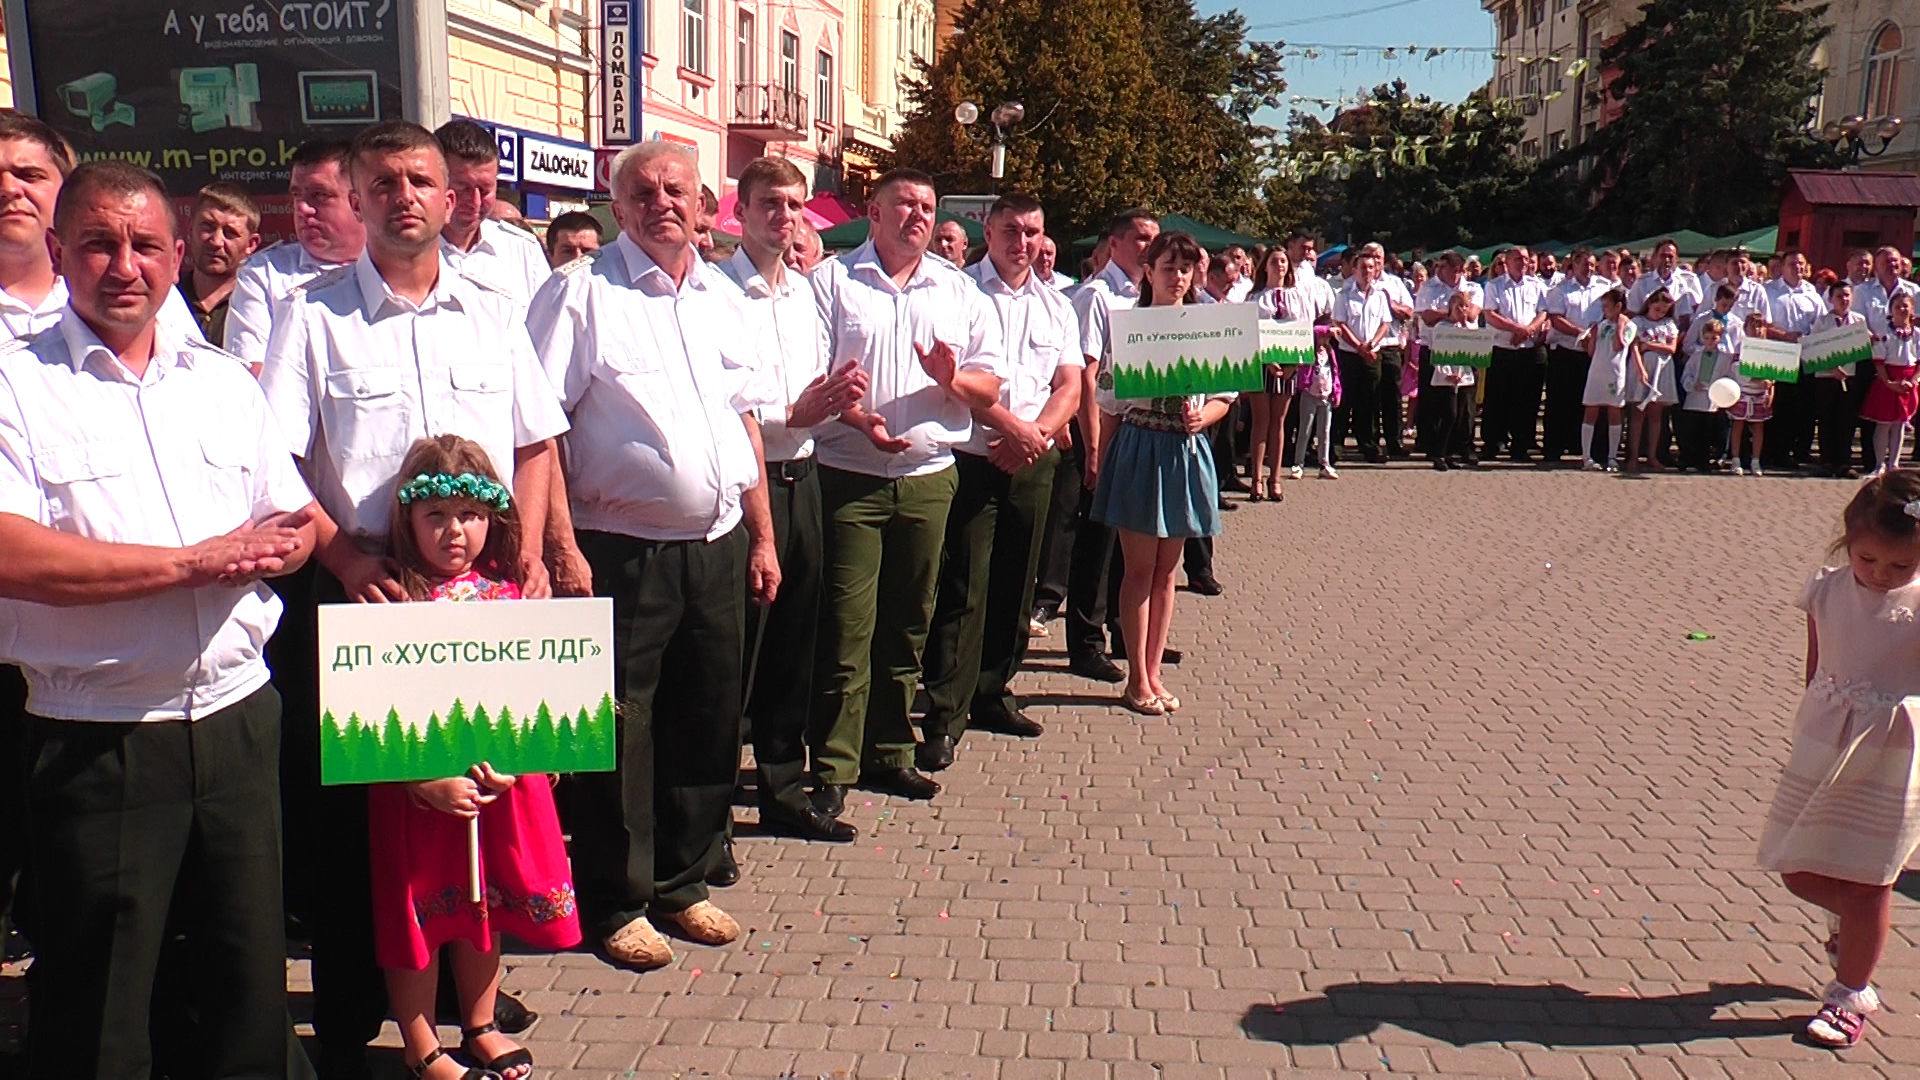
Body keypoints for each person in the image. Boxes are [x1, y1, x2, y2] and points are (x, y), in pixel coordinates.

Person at [259, 120, 569, 1077]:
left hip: (484, 600)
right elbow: (276, 461)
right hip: (367, 600)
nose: (404, 195)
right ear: (355, 197)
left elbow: (531, 444)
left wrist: (533, 555)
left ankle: (471, 1005)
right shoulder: (313, 317)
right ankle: (367, 1012)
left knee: (483, 796)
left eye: (421, 180)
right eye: (383, 181)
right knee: (366, 816)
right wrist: (346, 567)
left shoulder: (491, 311)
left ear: (449, 197)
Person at [0, 160, 319, 1080]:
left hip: (236, 721)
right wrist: (191, 564)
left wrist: (281, 549)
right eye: (99, 244)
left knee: (245, 980)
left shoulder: (221, 382)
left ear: (178, 258)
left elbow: (289, 514)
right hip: (98, 737)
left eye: (144, 245)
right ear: (61, 254)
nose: (124, 265)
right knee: (100, 1002)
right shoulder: (19, 387)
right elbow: (14, 555)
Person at [526, 140, 781, 969]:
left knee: (706, 720)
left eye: (678, 189)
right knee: (619, 734)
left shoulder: (719, 295)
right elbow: (540, 429)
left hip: (714, 545)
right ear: (619, 204)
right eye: (645, 191)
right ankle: (617, 899)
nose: (662, 202)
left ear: (704, 204)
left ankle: (683, 882)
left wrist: (762, 535)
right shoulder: (578, 294)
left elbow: (741, 421)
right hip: (618, 553)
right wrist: (560, 548)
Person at [371, 435, 579, 1080]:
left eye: (469, 515)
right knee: (420, 910)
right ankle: (420, 1042)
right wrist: (422, 780)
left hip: (498, 788)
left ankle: (481, 1023)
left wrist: (523, 761)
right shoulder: (387, 599)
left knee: (482, 905)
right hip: (415, 797)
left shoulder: (510, 595)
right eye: (435, 516)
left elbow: (538, 698)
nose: (453, 531)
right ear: (408, 520)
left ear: (494, 519)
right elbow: (364, 708)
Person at [807, 168, 1003, 807]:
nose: (917, 215)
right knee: (846, 629)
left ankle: (890, 751)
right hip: (848, 480)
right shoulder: (833, 281)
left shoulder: (958, 291)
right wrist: (857, 417)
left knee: (908, 625)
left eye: (926, 207)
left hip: (926, 480)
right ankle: (834, 767)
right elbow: (811, 377)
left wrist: (951, 380)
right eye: (904, 204)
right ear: (874, 210)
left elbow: (989, 388)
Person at [715, 157, 866, 845]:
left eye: (794, 205)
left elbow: (817, 390)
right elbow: (727, 403)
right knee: (733, 660)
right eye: (770, 204)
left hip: (803, 478)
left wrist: (839, 405)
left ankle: (783, 789)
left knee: (794, 650)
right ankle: (708, 816)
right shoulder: (716, 291)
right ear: (740, 212)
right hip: (747, 489)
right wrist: (793, 411)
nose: (785, 216)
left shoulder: (806, 293)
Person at [1756, 470, 1920, 1050]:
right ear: (1847, 544)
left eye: (1901, 567)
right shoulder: (1826, 590)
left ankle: (1852, 991)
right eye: (1868, 559)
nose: (1881, 575)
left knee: (1869, 881)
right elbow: (1817, 667)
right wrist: (1809, 725)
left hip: (1893, 751)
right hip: (1826, 742)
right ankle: (1852, 928)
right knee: (1800, 867)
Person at [919, 193, 1079, 772]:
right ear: (987, 228)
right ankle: (944, 715)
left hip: (1032, 459)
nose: (1022, 242)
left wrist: (1034, 434)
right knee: (963, 588)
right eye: (1010, 229)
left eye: (1032, 231)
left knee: (1016, 583)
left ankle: (993, 691)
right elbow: (955, 382)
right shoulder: (958, 293)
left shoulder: (1056, 304)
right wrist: (1012, 430)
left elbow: (1069, 385)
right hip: (974, 456)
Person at [1089, 231, 1231, 715]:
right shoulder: (1130, 325)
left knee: (1168, 572)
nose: (1178, 277)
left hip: (1185, 450)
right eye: (1168, 267)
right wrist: (1100, 462)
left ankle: (1154, 670)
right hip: (1140, 446)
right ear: (1148, 271)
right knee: (1139, 569)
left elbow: (1224, 395)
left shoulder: (1206, 325)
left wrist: (1204, 417)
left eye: (1185, 269)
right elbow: (1109, 403)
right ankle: (1136, 678)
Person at [1063, 208, 1158, 684]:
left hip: (1137, 432)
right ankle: (1085, 641)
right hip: (1099, 428)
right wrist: (1094, 446)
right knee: (1095, 540)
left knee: (1130, 535)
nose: (1148, 246)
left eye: (1154, 239)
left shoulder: (1147, 296)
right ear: (1114, 243)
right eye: (1140, 238)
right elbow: (1085, 371)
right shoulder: (1096, 296)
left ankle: (1127, 632)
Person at [225, 137, 369, 366]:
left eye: (319, 195)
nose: (302, 208)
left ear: (358, 201)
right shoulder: (264, 275)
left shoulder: (395, 269)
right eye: (296, 195)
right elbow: (248, 377)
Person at [434, 120, 550, 307]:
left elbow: (544, 332)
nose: (475, 201)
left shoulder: (523, 250)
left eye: (485, 190)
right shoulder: (405, 251)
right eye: (462, 188)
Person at [1247, 246, 1313, 499]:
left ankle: (1275, 478)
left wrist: (1293, 364)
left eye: (1283, 261)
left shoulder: (1297, 296)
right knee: (1260, 420)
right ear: (1265, 266)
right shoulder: (1255, 297)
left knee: (1279, 421)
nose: (1279, 265)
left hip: (1288, 365)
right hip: (1261, 364)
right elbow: (1250, 329)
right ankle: (1256, 479)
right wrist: (1266, 359)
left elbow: (1303, 330)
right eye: (1274, 261)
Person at [1330, 243, 1401, 464]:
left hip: (1373, 354)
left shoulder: (1380, 296)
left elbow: (1385, 323)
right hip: (1350, 354)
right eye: (1363, 267)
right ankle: (1336, 444)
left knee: (1370, 402)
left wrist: (1372, 344)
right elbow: (1340, 324)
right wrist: (1360, 346)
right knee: (1345, 400)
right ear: (1354, 269)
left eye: (1371, 267)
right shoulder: (1344, 295)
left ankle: (1368, 444)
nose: (1367, 271)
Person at [1482, 245, 1550, 463]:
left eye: (1525, 258)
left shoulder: (1536, 285)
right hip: (1502, 349)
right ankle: (1492, 442)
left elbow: (1543, 312)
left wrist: (1529, 330)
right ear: (1507, 261)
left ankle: (1521, 445)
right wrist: (1516, 329)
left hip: (1527, 350)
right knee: (1497, 399)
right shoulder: (1495, 285)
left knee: (1526, 401)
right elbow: (1490, 314)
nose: (1522, 262)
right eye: (1517, 259)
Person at [1543, 248, 1611, 466]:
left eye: (1592, 265)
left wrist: (1595, 334)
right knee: (1560, 403)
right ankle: (1553, 449)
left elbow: (1611, 314)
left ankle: (1592, 450)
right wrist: (1580, 334)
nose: (1589, 269)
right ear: (1574, 265)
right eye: (1585, 264)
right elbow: (1555, 318)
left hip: (1595, 353)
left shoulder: (1605, 288)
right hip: (1566, 352)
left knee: (1593, 403)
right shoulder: (1560, 290)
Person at [1759, 249, 1827, 470]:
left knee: (1798, 407)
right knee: (1775, 406)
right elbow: (1761, 322)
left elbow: (1821, 324)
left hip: (1803, 356)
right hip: (1777, 352)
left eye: (1801, 264)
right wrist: (1783, 335)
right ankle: (1767, 452)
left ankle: (1787, 453)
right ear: (1782, 267)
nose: (1797, 268)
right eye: (1792, 264)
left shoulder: (1813, 294)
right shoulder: (1768, 291)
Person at [178, 181, 262, 344]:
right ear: (190, 228)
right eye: (207, 227)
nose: (216, 241)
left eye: (230, 233)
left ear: (251, 244)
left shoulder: (259, 304)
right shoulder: (166, 297)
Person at [1812, 282, 1869, 479]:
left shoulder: (1858, 320)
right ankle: (1827, 461)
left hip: (1849, 376)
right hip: (1826, 377)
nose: (1843, 300)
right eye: (1839, 296)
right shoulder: (1822, 321)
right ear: (1830, 299)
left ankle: (1844, 462)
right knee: (1827, 419)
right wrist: (1830, 368)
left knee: (1846, 420)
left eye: (1846, 296)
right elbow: (1813, 350)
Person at [1862, 292, 1920, 477]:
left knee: (1900, 424)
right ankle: (1880, 464)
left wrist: (1913, 381)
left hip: (1909, 381)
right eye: (1898, 306)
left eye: (1906, 306)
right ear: (1891, 310)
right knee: (1884, 424)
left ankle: (1894, 463)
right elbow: (1878, 362)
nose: (1902, 310)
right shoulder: (1883, 333)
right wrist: (1889, 382)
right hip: (1888, 380)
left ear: (1912, 310)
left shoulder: (1917, 334)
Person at [1579, 288, 1635, 473]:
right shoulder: (1602, 324)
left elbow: (1619, 345)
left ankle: (1612, 456)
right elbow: (1591, 352)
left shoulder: (1630, 326)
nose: (1604, 310)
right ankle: (1586, 456)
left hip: (1614, 373)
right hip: (1596, 372)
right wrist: (1592, 336)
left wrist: (1620, 324)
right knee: (1591, 411)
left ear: (1618, 306)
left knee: (1614, 413)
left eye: (1607, 306)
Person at [1625, 288, 1680, 474]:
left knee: (1656, 415)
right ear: (1649, 304)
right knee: (1637, 414)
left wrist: (1648, 345)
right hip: (1642, 369)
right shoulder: (1637, 322)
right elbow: (1634, 348)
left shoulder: (1669, 324)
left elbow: (1672, 347)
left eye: (1664, 311)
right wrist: (1640, 369)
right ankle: (1633, 456)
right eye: (1657, 309)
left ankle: (1652, 455)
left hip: (1662, 370)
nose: (1660, 314)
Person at [1426, 292, 1479, 470]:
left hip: (1463, 376)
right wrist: (1447, 373)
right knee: (1449, 414)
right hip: (1445, 377)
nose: (1462, 310)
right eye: (1458, 306)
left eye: (1465, 306)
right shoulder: (1442, 326)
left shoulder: (1469, 327)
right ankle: (1437, 452)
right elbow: (1437, 352)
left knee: (1460, 416)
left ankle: (1449, 453)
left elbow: (1475, 347)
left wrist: (1464, 324)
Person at [1677, 315, 1736, 472]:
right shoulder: (1696, 356)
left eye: (1714, 338)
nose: (1710, 341)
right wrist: (1691, 384)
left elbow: (1729, 377)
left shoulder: (1725, 358)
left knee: (1707, 431)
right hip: (1695, 397)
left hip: (1713, 399)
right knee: (1692, 430)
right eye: (1707, 338)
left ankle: (1705, 459)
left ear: (1720, 338)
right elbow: (1687, 374)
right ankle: (1689, 458)